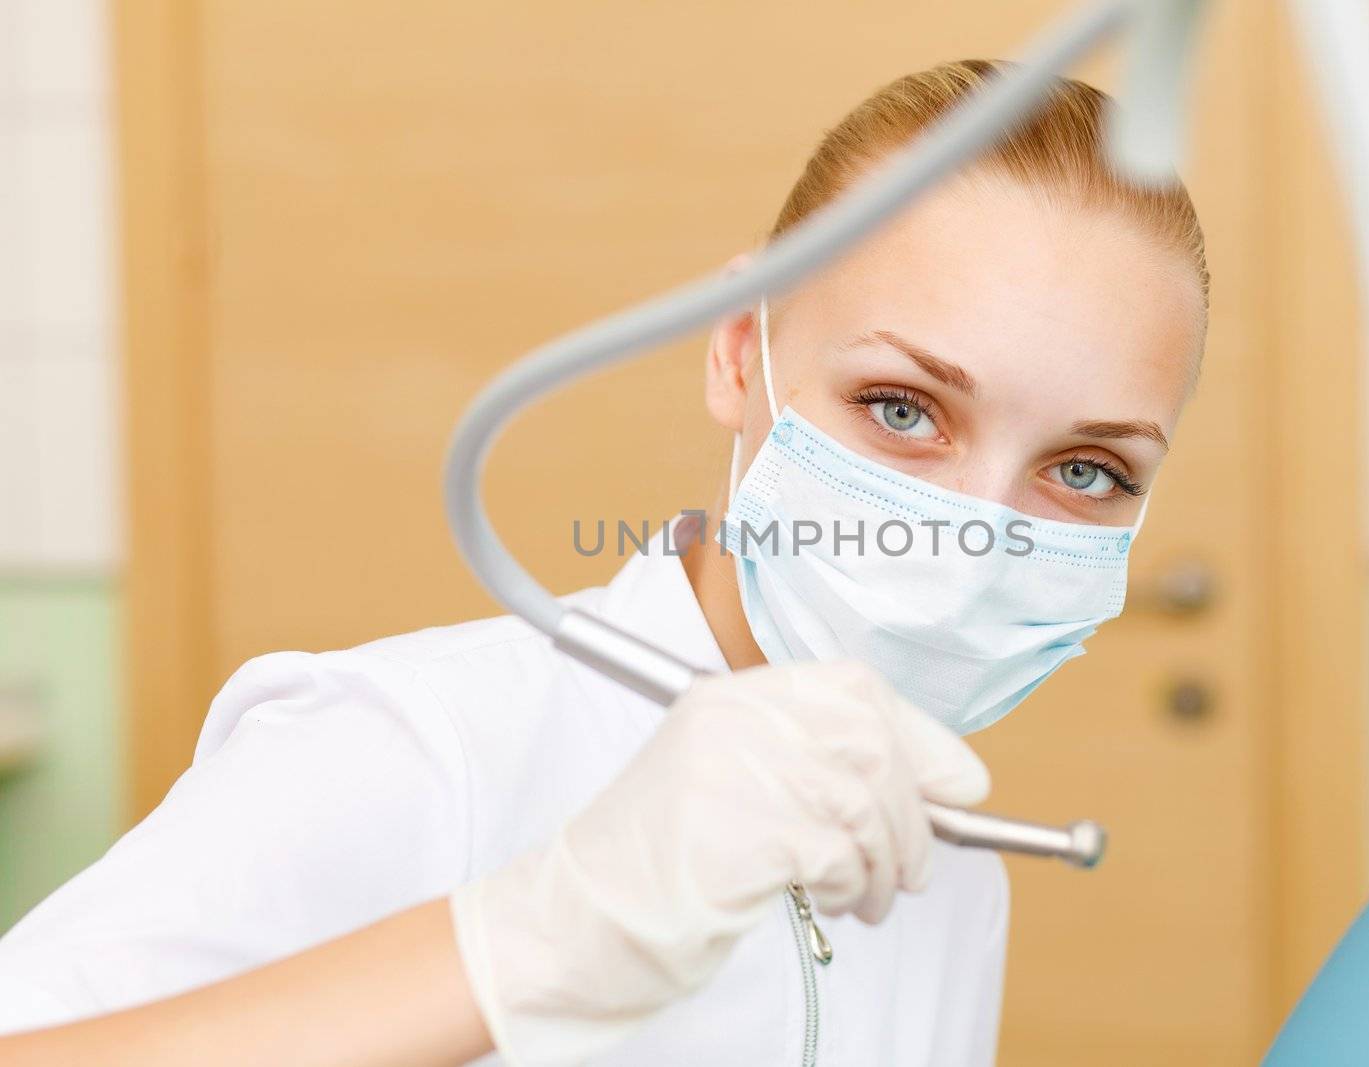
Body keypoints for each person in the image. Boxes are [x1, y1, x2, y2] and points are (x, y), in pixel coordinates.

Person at [0, 60, 1207, 1066]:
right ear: (740, 352)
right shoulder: (423, 747)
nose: (969, 534)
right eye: (901, 406)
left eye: (1088, 470)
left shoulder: (940, 861)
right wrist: (525, 940)